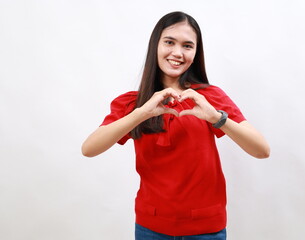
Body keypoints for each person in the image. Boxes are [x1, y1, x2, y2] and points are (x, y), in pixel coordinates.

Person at [82, 11, 270, 240]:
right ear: (156, 46)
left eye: (188, 46)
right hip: (150, 227)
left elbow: (261, 150)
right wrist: (141, 113)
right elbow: (89, 149)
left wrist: (216, 118)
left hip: (205, 229)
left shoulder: (208, 97)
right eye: (169, 42)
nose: (177, 53)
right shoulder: (132, 103)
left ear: (195, 53)